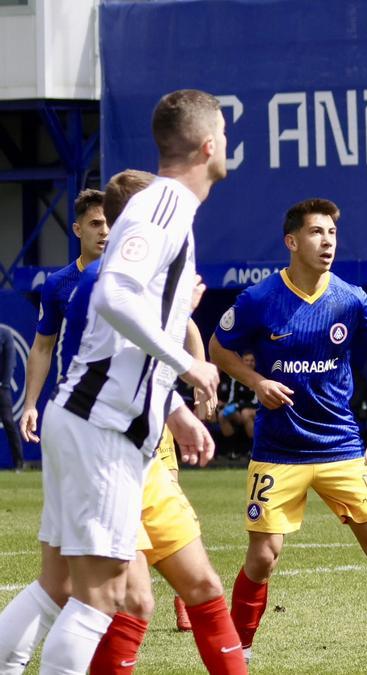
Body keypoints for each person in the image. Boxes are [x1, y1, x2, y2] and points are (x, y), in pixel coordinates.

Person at [1, 89, 228, 674]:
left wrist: (172, 406)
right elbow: (114, 292)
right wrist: (187, 364)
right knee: (101, 598)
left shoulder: (166, 208)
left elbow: (123, 329)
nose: (227, 144)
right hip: (101, 429)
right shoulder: (166, 205)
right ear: (208, 145)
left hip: (87, 420)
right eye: (223, 134)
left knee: (56, 587)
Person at [208, 198, 367, 675]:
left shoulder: (350, 297)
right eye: (317, 232)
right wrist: (256, 382)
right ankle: (240, 652)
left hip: (341, 447)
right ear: (292, 241)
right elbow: (220, 348)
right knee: (263, 555)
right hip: (278, 451)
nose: (327, 242)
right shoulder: (260, 300)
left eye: (332, 234)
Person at [17, 189, 109, 464]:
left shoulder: (130, 277)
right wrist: (30, 404)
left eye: (109, 223)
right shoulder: (59, 284)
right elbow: (43, 347)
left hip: (121, 400)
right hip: (74, 403)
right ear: (77, 230)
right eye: (95, 224)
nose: (104, 231)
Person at [0, 326, 22, 471]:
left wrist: (5, 384)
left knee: (8, 421)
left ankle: (19, 462)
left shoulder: (4, 333)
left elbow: (10, 360)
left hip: (2, 387)